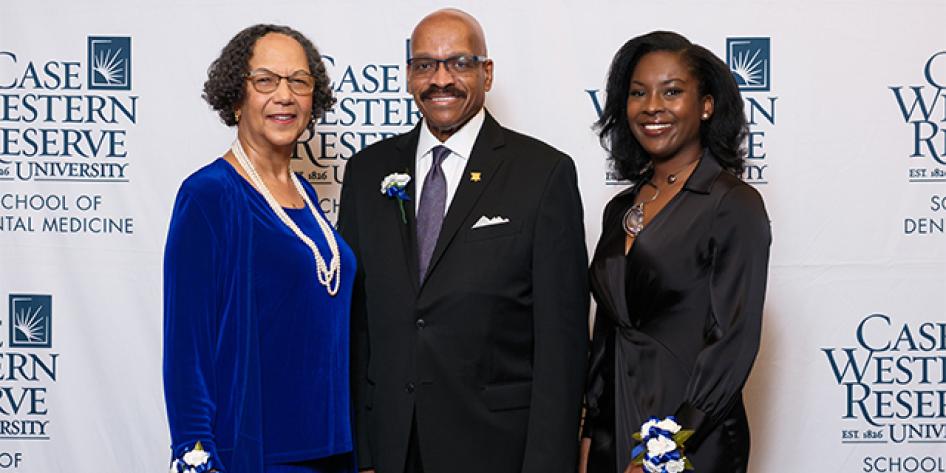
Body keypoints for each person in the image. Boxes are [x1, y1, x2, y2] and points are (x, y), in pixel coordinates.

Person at [337, 8, 589, 473]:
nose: (441, 79)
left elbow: (562, 343)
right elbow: (357, 326)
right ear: (409, 76)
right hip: (391, 447)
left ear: (486, 73)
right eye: (425, 65)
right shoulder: (367, 171)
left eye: (459, 63)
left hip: (496, 449)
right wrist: (364, 453)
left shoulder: (542, 173)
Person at [163, 24, 356, 473]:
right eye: (265, 80)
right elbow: (187, 348)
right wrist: (195, 454)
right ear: (236, 96)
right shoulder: (209, 194)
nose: (284, 96)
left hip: (334, 451)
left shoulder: (304, 193)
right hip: (258, 456)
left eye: (299, 81)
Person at [579, 31, 771, 473]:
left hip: (691, 436)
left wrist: (665, 446)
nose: (652, 106)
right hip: (615, 430)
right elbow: (607, 333)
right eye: (638, 93)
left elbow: (734, 341)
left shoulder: (732, 203)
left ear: (706, 106)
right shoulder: (619, 209)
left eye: (671, 92)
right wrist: (591, 432)